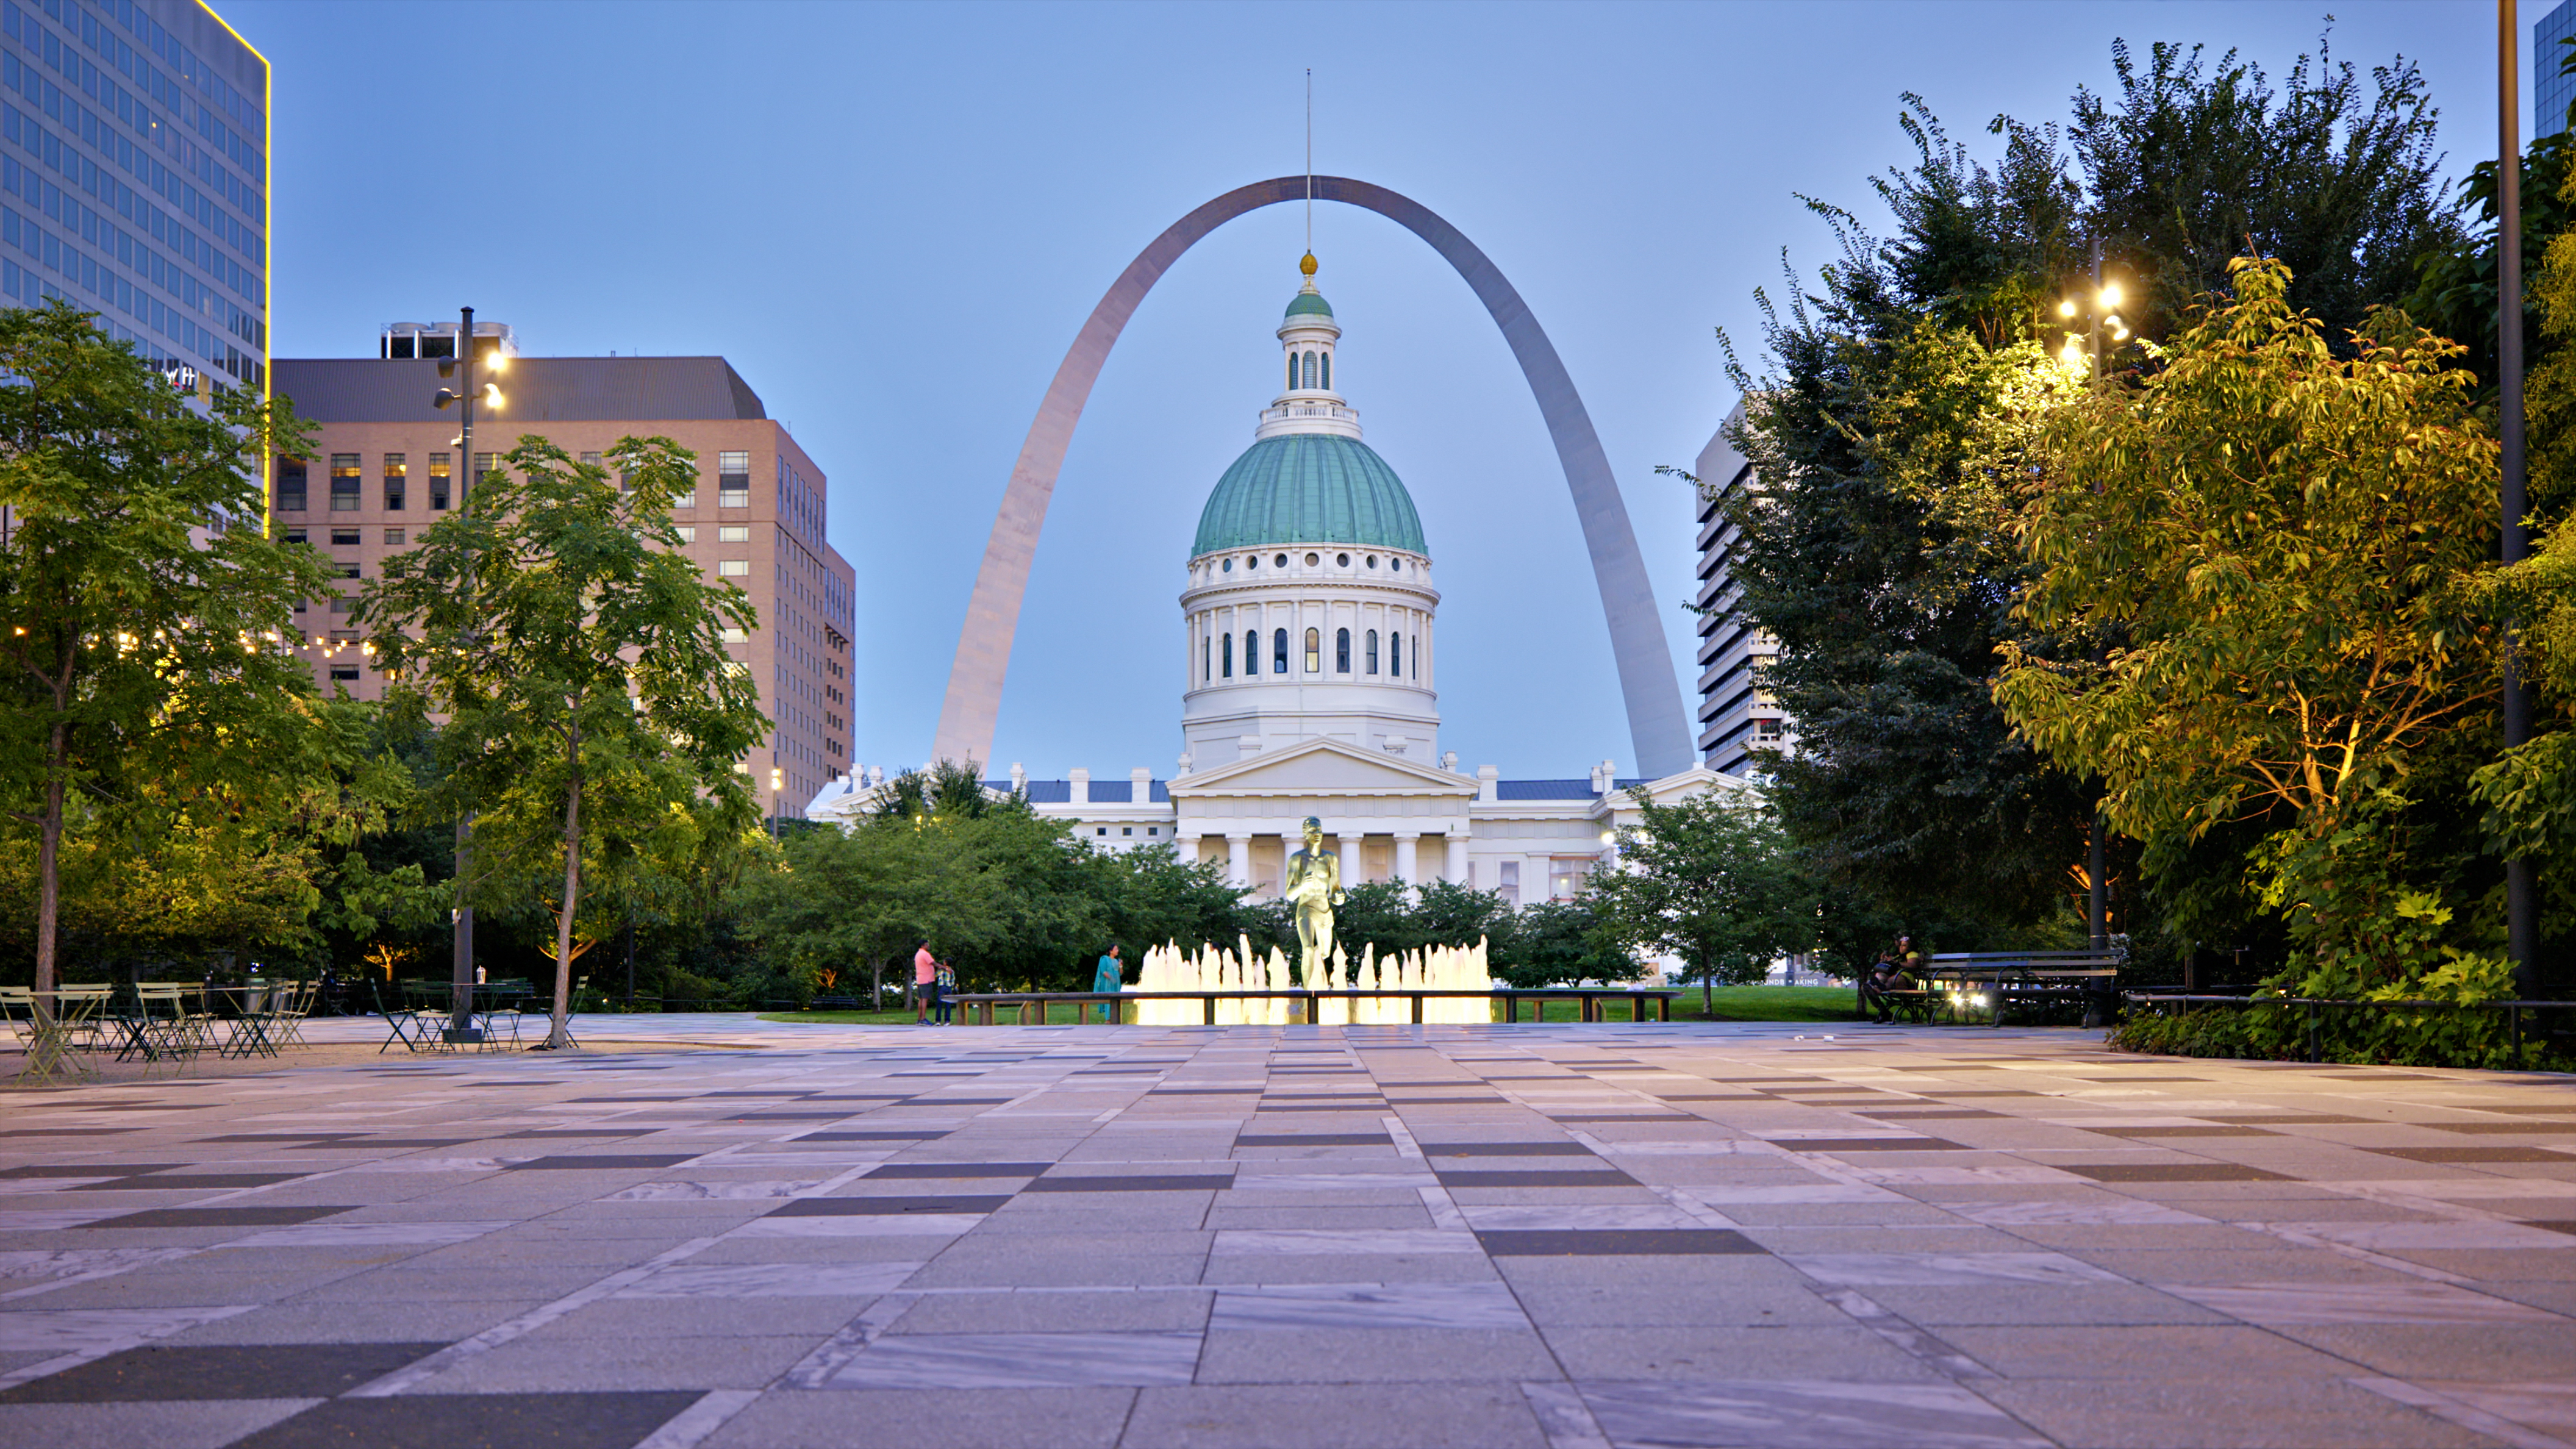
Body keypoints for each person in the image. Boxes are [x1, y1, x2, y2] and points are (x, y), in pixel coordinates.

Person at [1859, 953, 1911, 1025]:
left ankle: (1879, 987)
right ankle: (1875, 985)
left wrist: (1896, 963)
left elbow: (1913, 965)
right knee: (1879, 976)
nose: (1901, 947)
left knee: (1891, 980)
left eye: (1904, 945)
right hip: (1891, 976)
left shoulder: (1912, 954)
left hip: (1903, 980)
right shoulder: (1897, 953)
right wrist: (1883, 961)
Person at [1093, 944, 1123, 1023]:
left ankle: (1116, 1017)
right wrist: (1111, 978)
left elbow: (1120, 973)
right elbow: (1104, 971)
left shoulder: (1116, 961)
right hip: (1108, 983)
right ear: (1111, 951)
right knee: (1108, 999)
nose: (1117, 951)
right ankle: (1108, 1019)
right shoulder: (1105, 959)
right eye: (1116, 949)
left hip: (1116, 984)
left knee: (1116, 999)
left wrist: (1121, 966)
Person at [913, 940, 937, 1025]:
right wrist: (944, 968)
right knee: (925, 1000)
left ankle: (920, 1019)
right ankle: (923, 1019)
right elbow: (933, 963)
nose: (928, 946)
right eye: (927, 945)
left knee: (921, 999)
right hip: (926, 979)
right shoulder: (925, 954)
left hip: (920, 979)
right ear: (922, 946)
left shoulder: (918, 954)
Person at [933, 957, 956, 1025]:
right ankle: (947, 1021)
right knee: (948, 1004)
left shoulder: (942, 970)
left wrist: (938, 969)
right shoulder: (952, 971)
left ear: (945, 963)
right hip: (949, 987)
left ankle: (938, 1021)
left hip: (942, 986)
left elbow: (935, 975)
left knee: (939, 1004)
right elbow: (953, 980)